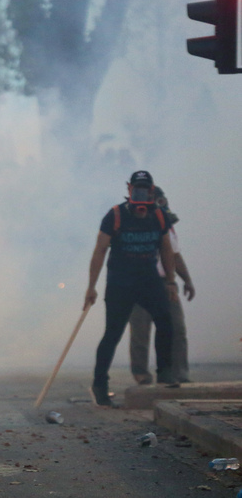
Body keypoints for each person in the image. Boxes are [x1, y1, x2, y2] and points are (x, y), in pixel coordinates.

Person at [85, 170, 179, 408]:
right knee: (113, 334)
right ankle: (100, 384)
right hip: (120, 283)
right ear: (129, 189)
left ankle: (165, 371)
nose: (140, 193)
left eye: (144, 189)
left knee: (166, 321)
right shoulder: (115, 215)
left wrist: (170, 281)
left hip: (149, 280)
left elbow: (167, 250)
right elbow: (99, 251)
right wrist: (91, 287)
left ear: (151, 190)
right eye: (136, 189)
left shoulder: (159, 216)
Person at [129, 188, 195, 384]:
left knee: (176, 328)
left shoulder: (166, 224)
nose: (161, 203)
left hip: (166, 283)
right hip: (139, 282)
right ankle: (141, 374)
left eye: (162, 199)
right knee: (141, 330)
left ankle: (178, 373)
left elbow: (175, 255)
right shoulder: (135, 223)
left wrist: (187, 280)